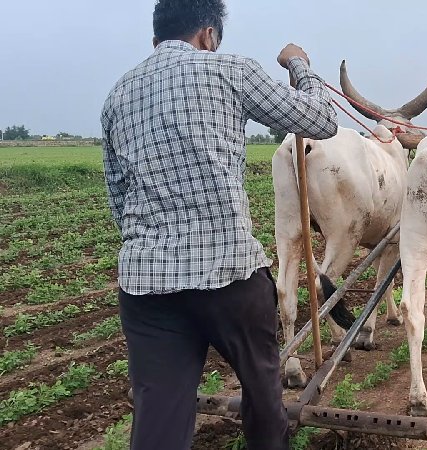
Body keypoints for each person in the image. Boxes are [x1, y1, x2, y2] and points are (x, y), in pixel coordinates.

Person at [100, 0, 337, 448]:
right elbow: (322, 120)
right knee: (263, 393)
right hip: (229, 276)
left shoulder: (117, 95)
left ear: (156, 41)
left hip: (147, 286)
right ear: (209, 35)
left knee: (159, 413)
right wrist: (300, 64)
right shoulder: (231, 71)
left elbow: (118, 198)